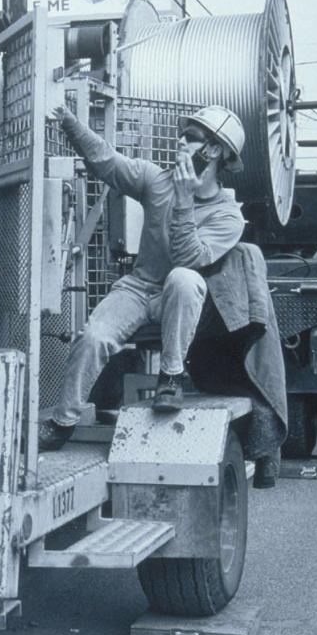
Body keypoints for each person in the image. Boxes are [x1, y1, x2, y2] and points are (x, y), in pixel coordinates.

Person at [41, 103, 246, 440]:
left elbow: (188, 258)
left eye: (191, 137)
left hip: (180, 300)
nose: (180, 141)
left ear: (214, 151)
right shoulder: (157, 180)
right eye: (183, 134)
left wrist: (183, 199)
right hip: (138, 288)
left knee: (184, 278)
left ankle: (171, 377)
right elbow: (107, 161)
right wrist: (69, 122)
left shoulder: (228, 216)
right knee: (93, 337)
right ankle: (63, 423)